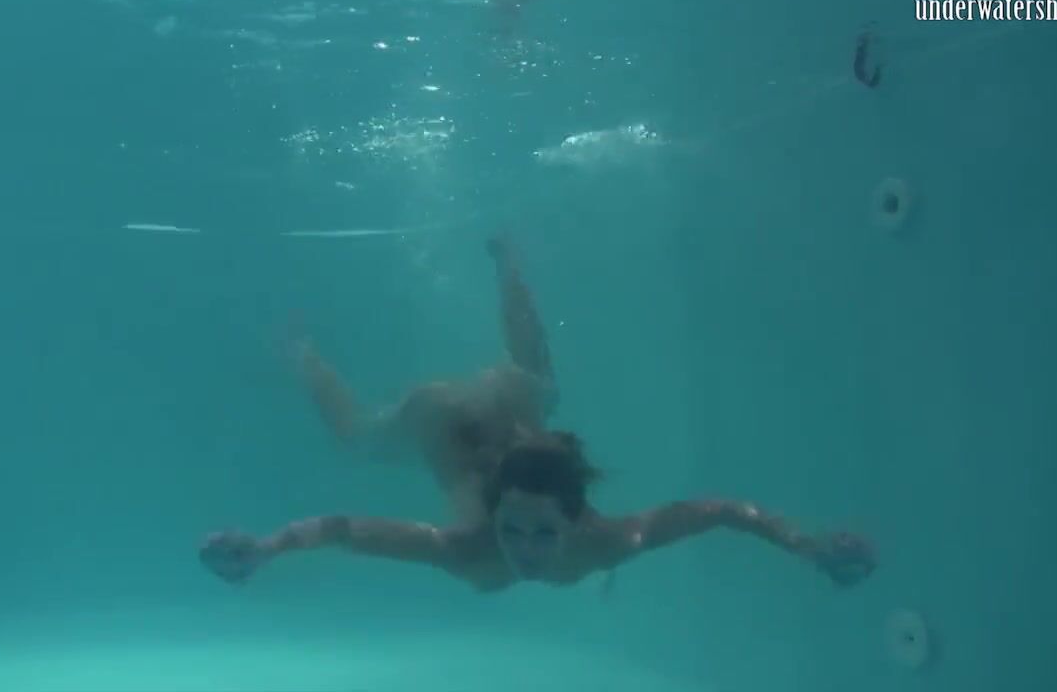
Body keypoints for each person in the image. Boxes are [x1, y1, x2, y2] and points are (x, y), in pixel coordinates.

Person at [198, 238, 876, 593]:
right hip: (438, 421)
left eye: (539, 533)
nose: (521, 550)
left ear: (576, 519)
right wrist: (266, 549)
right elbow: (346, 530)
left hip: (504, 411)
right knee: (360, 436)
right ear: (493, 514)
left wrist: (807, 546)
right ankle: (301, 353)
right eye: (514, 530)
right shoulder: (473, 549)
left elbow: (722, 512)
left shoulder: (603, 540)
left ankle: (509, 263)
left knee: (539, 384)